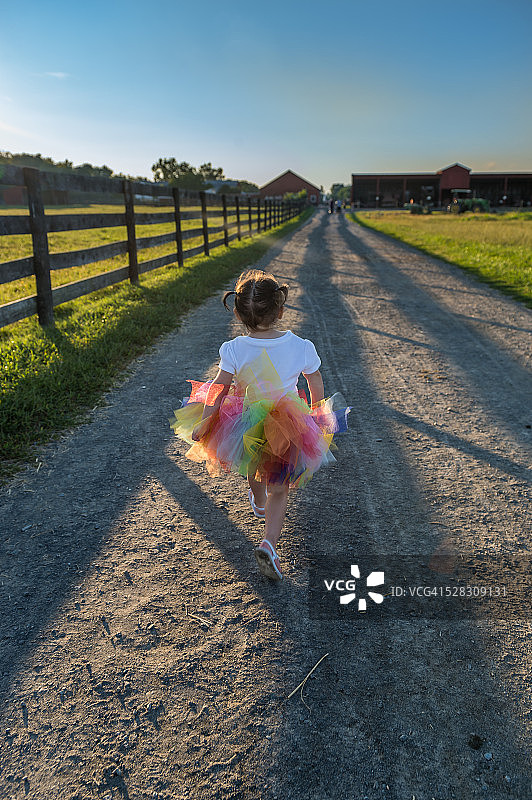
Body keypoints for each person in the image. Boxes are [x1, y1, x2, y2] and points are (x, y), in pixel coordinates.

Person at [170, 269, 349, 581]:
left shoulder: (234, 348)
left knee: (252, 460)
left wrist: (206, 420)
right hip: (289, 424)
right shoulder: (301, 345)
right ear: (280, 311)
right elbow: (315, 378)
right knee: (280, 488)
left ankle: (256, 498)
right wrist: (317, 410)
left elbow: (218, 388)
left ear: (239, 313)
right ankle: (269, 544)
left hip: (247, 419)